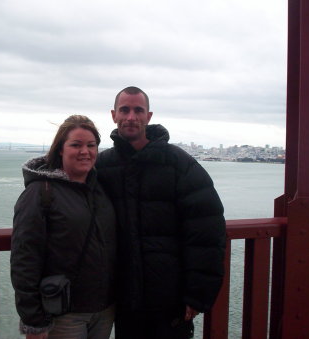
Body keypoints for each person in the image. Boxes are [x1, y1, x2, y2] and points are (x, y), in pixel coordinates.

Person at [96, 86, 226, 339]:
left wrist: (197, 295)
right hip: (124, 299)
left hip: (171, 298)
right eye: (124, 110)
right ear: (113, 115)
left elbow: (207, 234)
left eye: (138, 110)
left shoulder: (179, 164)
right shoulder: (102, 166)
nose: (131, 117)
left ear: (149, 116)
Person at [11, 115, 117, 339]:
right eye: (76, 145)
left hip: (104, 308)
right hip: (64, 312)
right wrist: (33, 320)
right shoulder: (40, 192)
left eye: (91, 145)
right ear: (60, 149)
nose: (85, 151)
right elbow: (25, 257)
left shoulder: (101, 189)